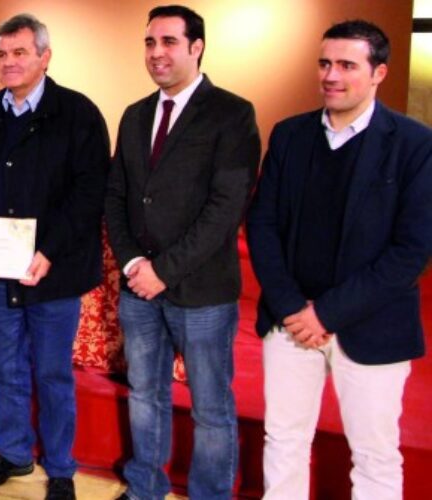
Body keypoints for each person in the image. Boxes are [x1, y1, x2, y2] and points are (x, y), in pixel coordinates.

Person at [247, 20, 432, 500]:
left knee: (375, 455)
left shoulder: (415, 144)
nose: (331, 75)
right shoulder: (289, 135)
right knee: (283, 441)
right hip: (289, 323)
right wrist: (292, 307)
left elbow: (411, 251)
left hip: (372, 326)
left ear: (378, 73)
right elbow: (262, 225)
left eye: (347, 65)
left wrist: (325, 314)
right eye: (325, 63)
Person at [0, 14, 110, 500]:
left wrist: (49, 250)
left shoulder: (78, 113)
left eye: (20, 52)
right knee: (4, 369)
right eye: (2, 54)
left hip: (52, 275)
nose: (8, 62)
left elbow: (89, 193)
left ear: (45, 57)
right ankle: (14, 453)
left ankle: (60, 468)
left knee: (52, 374)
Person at [104, 6, 260, 500]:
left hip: (202, 293)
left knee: (210, 408)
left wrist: (163, 272)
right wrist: (133, 263)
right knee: (144, 397)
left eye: (169, 42)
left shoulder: (232, 114)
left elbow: (225, 208)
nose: (156, 53)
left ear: (197, 47)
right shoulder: (134, 115)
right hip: (139, 289)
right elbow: (117, 197)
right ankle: (144, 488)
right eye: (150, 42)